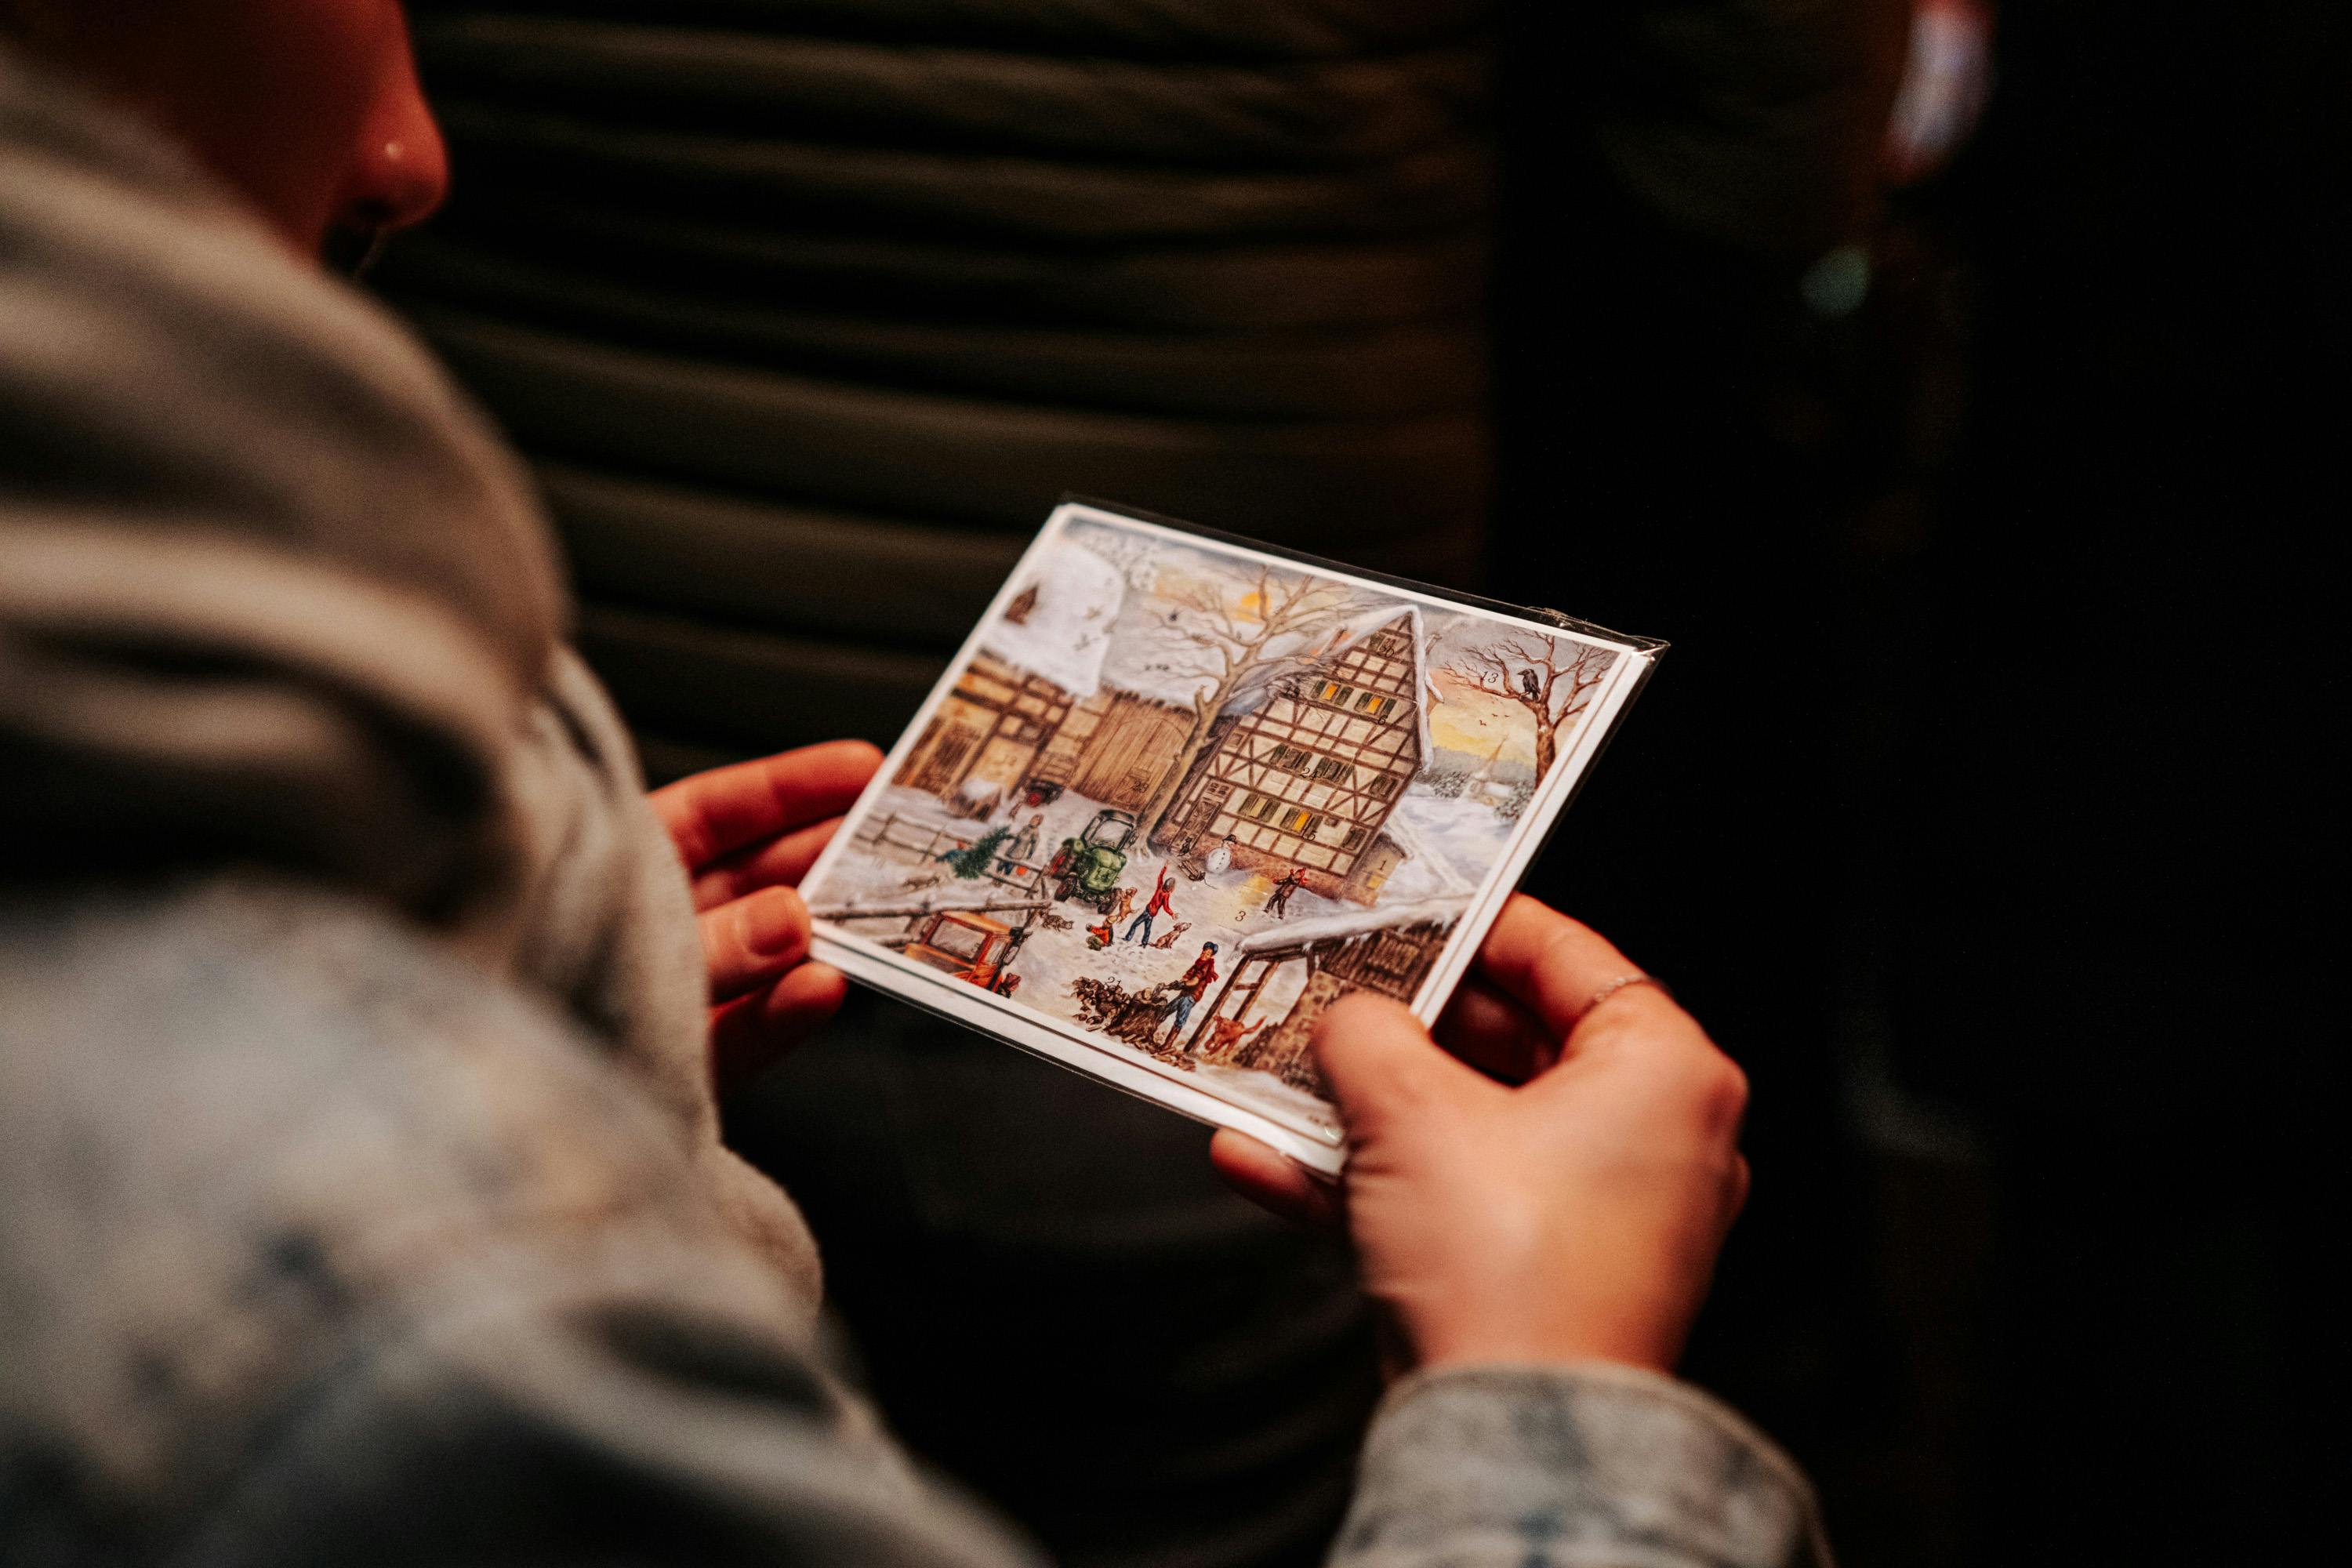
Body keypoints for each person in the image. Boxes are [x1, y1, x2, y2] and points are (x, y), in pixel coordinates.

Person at [0, 6, 1822, 1566]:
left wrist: (539, 1037)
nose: (413, 152)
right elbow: (1737, 163)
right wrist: (1546, 1395)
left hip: (641, 661)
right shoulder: (351, 1303)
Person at [1157, 942, 1220, 1043]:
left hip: (1190, 997)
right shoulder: (1197, 964)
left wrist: (1182, 985)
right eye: (1204, 952)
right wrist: (1175, 984)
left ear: (1210, 956)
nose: (1204, 954)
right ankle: (1149, 1032)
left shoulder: (1206, 966)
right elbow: (1186, 977)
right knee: (1165, 1011)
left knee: (1180, 1020)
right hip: (1184, 994)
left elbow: (1195, 980)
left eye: (1208, 954)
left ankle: (1167, 1045)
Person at [1123, 863, 1175, 945]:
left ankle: (1128, 938)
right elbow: (1166, 907)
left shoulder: (1160, 887)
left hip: (1148, 911)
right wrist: (1172, 914)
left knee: (1135, 925)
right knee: (1147, 929)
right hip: (1152, 913)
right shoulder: (1166, 894)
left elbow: (1160, 877)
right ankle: (1144, 943)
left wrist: (1165, 867)